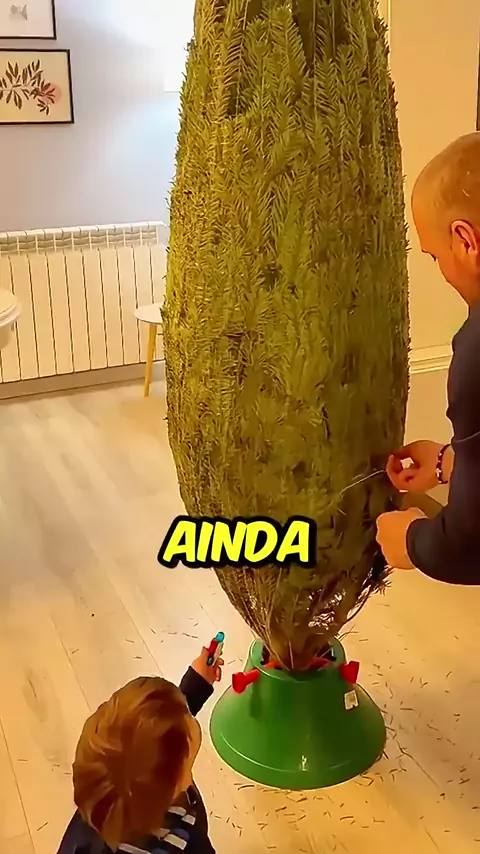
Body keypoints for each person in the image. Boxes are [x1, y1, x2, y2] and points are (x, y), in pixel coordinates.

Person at [376, 132, 480, 584]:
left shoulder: (477, 353)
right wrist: (447, 461)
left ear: (465, 241)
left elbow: (469, 542)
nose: (440, 270)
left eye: (435, 256)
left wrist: (411, 540)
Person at [56, 648, 223, 854]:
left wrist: (197, 685)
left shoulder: (103, 805)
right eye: (186, 712)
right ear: (178, 778)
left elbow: (160, 739)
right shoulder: (181, 840)